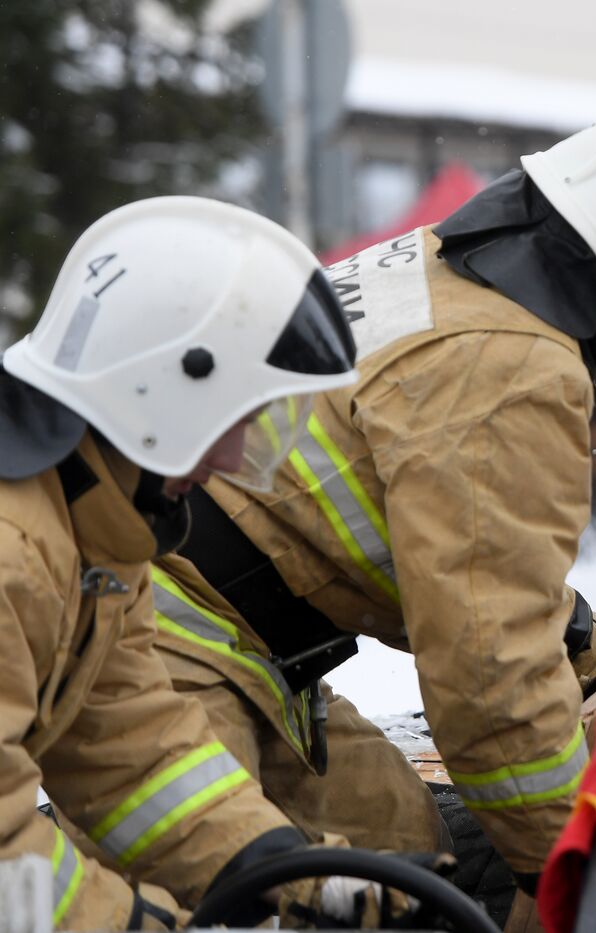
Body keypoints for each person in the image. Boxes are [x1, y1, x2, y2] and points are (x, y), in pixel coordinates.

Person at [151, 112, 596, 902]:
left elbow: (476, 564)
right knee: (371, 897)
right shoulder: (515, 370)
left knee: (407, 843)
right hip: (176, 649)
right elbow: (492, 696)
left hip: (220, 624)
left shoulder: (428, 270)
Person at [0, 196, 417, 929]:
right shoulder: (16, 557)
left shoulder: (94, 525)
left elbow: (130, 748)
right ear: (154, 391)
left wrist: (279, 867)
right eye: (231, 419)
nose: (232, 459)